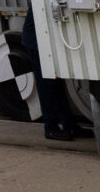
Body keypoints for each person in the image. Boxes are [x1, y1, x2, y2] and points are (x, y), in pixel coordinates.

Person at [19, 9, 90, 141]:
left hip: (45, 42)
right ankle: (51, 128)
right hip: (36, 43)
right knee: (46, 86)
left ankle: (69, 125)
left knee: (57, 86)